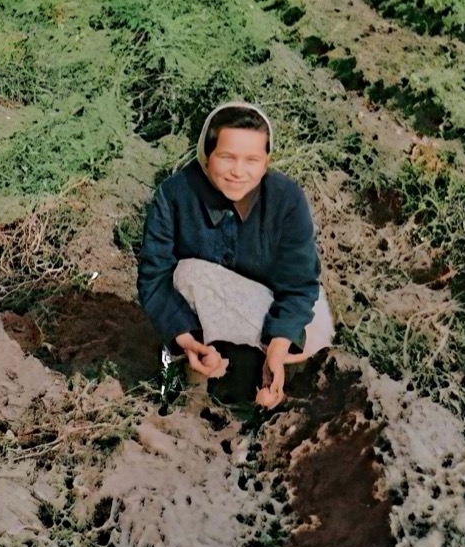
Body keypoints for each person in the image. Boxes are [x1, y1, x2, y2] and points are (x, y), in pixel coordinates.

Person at [137, 103, 333, 409]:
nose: (239, 172)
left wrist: (277, 350)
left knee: (300, 339)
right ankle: (203, 361)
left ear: (267, 161)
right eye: (227, 157)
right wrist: (187, 340)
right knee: (184, 275)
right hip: (215, 309)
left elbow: (299, 286)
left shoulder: (286, 199)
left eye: (252, 160)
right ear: (206, 156)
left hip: (290, 320)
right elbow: (154, 278)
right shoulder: (174, 195)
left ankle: (273, 370)